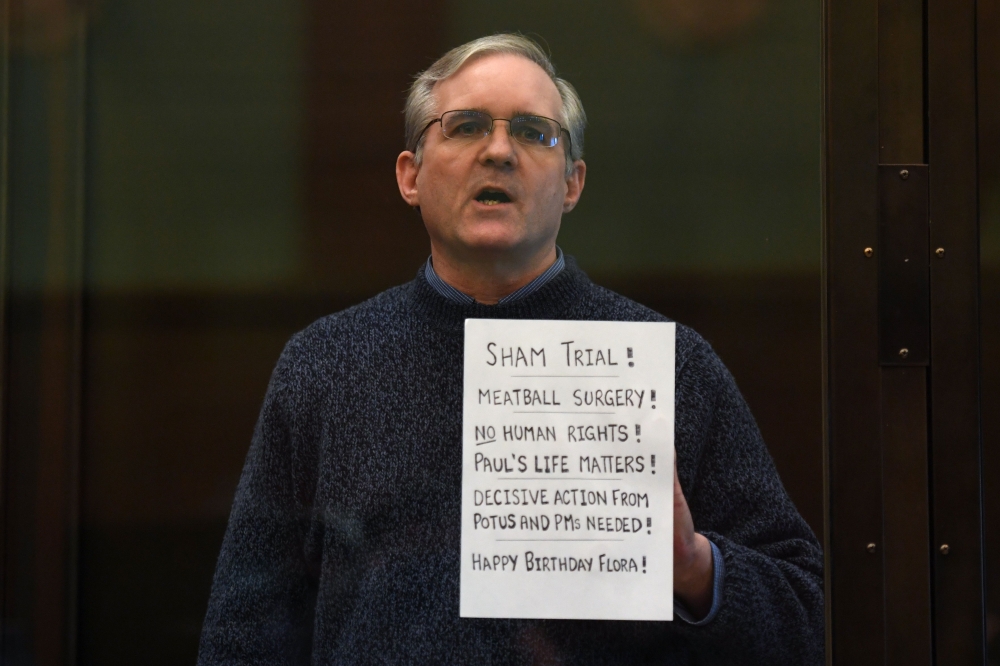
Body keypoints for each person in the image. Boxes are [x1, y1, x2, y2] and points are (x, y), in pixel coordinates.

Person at [197, 34, 824, 665]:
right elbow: (245, 633)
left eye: (533, 132)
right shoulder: (325, 364)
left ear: (573, 183)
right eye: (466, 126)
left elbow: (808, 618)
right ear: (410, 176)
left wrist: (696, 569)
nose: (498, 151)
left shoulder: (669, 365)